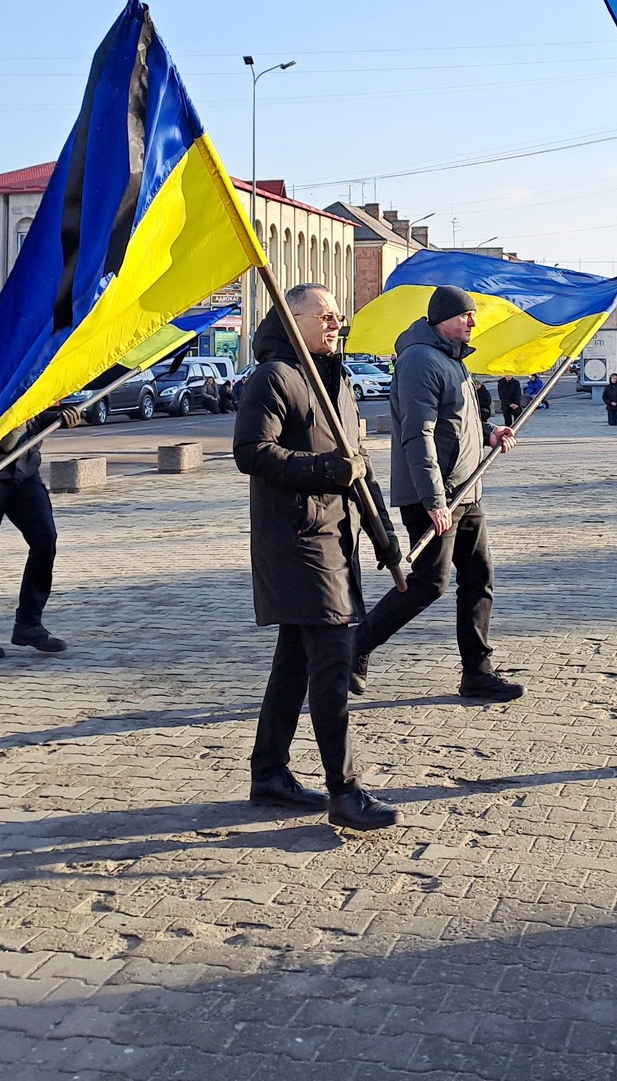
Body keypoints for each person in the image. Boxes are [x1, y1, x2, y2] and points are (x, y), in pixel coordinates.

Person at [234, 282, 396, 830]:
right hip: (297, 542)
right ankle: (345, 792)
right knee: (333, 660)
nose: (335, 324)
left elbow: (358, 465)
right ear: (292, 318)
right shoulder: (276, 376)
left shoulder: (337, 381)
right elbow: (250, 452)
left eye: (337, 316)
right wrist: (323, 470)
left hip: (338, 537)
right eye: (324, 316)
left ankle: (269, 773)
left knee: (295, 662)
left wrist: (384, 534)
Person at [354, 285, 522, 702]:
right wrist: (433, 500)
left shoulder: (453, 361)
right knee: (430, 582)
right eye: (466, 315)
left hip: (467, 491)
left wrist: (489, 434)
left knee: (479, 578)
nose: (473, 322)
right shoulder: (419, 360)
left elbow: (455, 423)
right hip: (435, 497)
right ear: (442, 318)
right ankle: (352, 649)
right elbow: (418, 434)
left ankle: (477, 673)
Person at [0, 402, 83, 659]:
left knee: (45, 540)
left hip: (25, 474)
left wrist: (61, 418)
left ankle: (29, 624)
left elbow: (35, 417)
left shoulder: (29, 380)